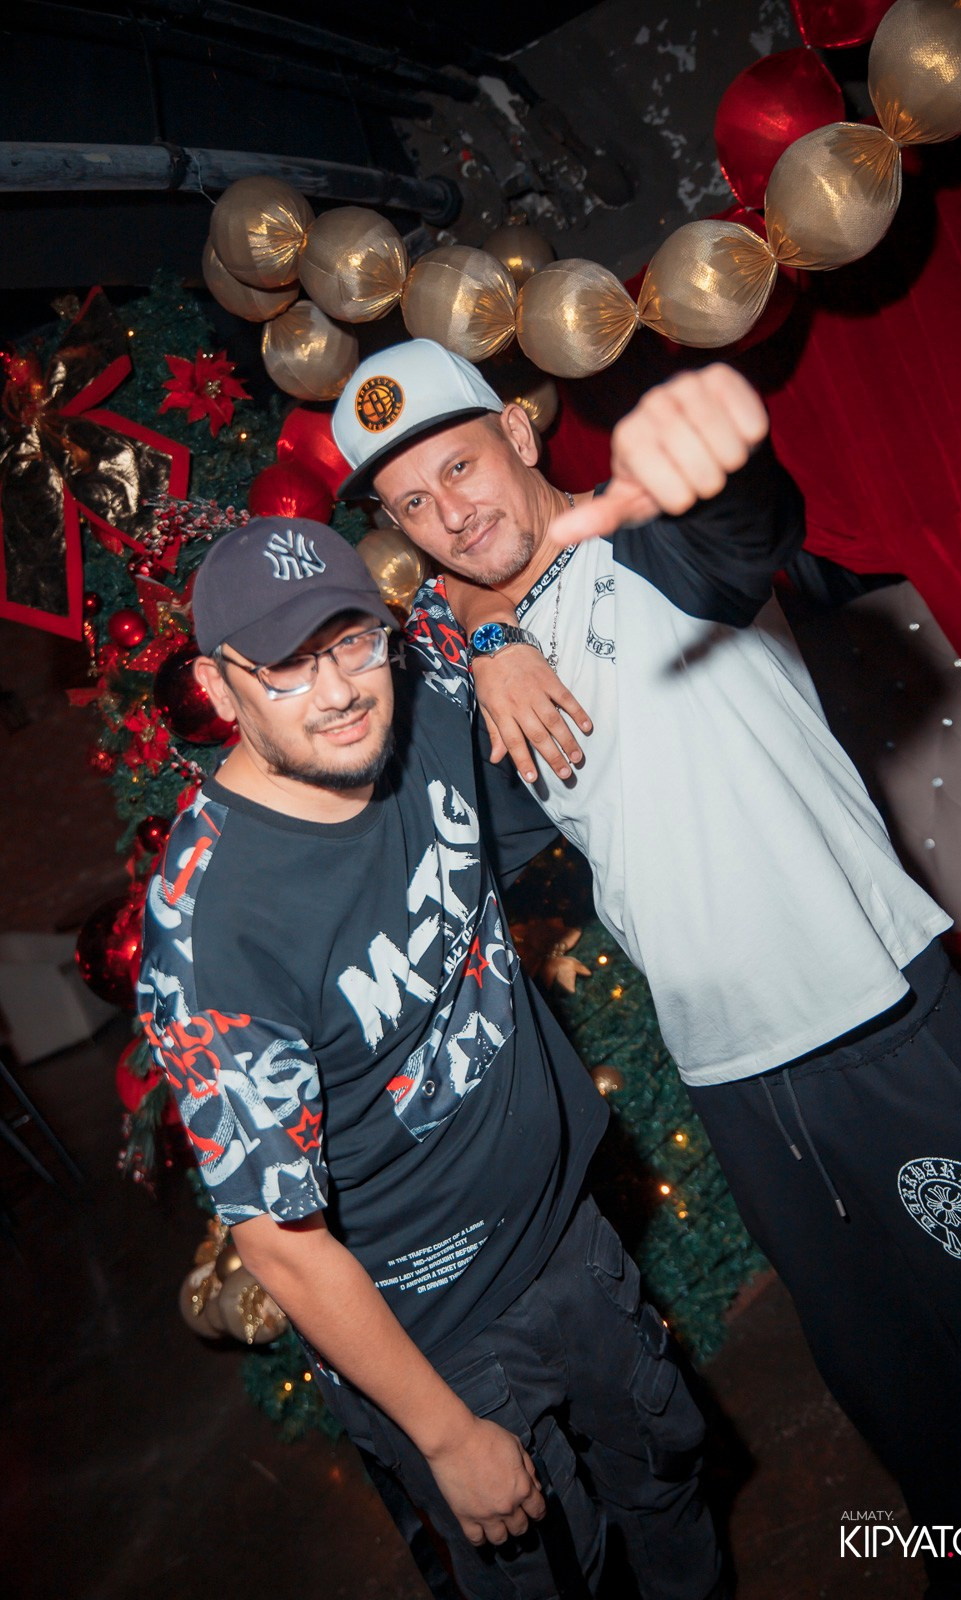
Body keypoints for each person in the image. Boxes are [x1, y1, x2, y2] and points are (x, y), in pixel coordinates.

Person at [331, 339, 961, 1599]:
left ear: (519, 432)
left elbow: (745, 524)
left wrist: (715, 444)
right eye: (409, 502)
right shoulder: (486, 675)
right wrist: (483, 635)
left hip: (877, 1021)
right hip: (734, 1080)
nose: (447, 510)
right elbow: (421, 833)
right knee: (898, 1398)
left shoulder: (646, 544)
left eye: (458, 465)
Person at [136, 514, 727, 1600]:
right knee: (556, 1577)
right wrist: (443, 1430)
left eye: (351, 641)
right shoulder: (212, 933)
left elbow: (482, 570)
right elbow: (278, 1243)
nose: (339, 691)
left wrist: (493, 639)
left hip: (564, 1235)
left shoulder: (422, 687)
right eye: (286, 666)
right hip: (439, 1338)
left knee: (667, 1485)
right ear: (218, 687)